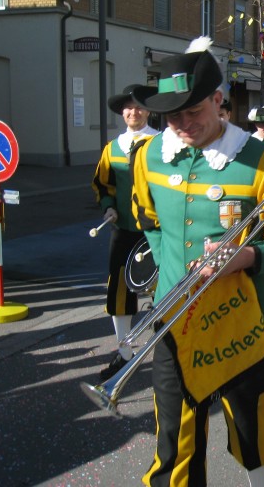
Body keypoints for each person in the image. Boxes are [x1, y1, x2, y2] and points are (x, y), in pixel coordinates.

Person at [130, 39, 264, 487]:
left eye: (193, 111)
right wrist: (170, 272)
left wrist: (248, 256)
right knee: (174, 433)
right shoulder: (149, 156)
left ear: (219, 100)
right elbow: (147, 220)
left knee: (253, 423)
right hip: (174, 317)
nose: (182, 125)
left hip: (243, 319)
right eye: (172, 116)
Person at [91, 85, 159, 380]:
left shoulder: (161, 143)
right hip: (123, 230)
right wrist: (108, 207)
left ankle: (168, 352)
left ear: (148, 111)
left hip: (156, 231)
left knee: (164, 289)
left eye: (139, 106)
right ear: (122, 113)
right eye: (129, 107)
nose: (134, 112)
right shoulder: (112, 148)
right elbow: (102, 184)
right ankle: (125, 354)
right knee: (118, 292)